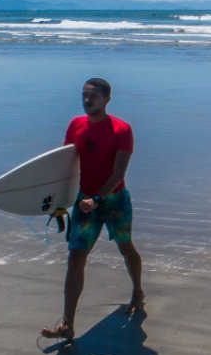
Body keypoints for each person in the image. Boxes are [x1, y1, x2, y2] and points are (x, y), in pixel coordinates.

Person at [41, 78, 144, 341]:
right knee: (75, 259)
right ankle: (67, 325)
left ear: (107, 99)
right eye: (84, 96)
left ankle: (138, 291)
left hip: (114, 201)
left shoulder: (122, 130)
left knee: (125, 247)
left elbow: (119, 172)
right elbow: (66, 166)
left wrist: (97, 198)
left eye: (94, 96)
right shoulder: (76, 125)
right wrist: (58, 201)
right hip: (84, 201)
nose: (88, 101)